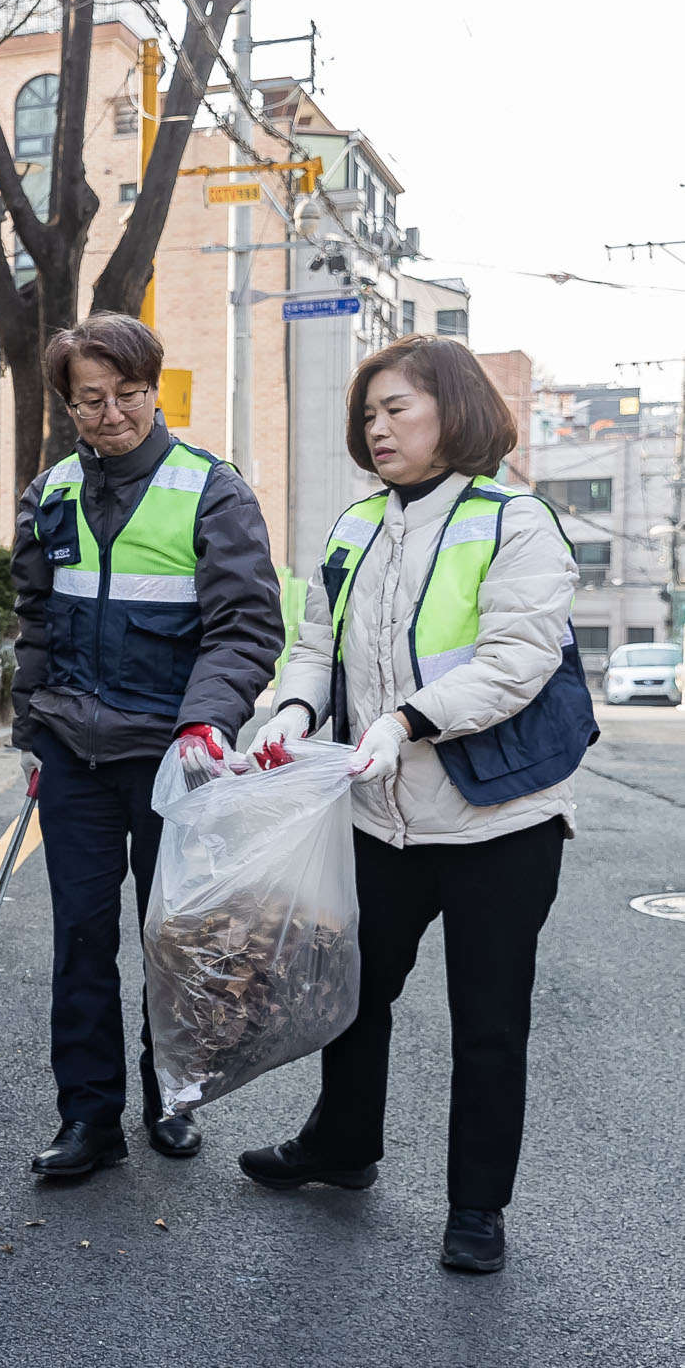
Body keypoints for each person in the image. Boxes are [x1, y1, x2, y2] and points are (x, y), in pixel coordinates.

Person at [240, 336, 594, 1274]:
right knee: (352, 994)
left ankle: (478, 1206)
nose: (378, 427)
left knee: (488, 1017)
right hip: (380, 808)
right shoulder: (357, 525)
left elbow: (516, 660)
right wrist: (291, 710)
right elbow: (317, 645)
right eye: (368, 414)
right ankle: (342, 1148)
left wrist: (406, 718)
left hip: (497, 817)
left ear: (457, 409)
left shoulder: (516, 520)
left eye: (397, 407)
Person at [11, 313, 285, 1178]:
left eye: (128, 394)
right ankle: (88, 1119)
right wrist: (31, 736)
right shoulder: (49, 494)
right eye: (90, 398)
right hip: (73, 756)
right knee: (82, 941)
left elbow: (245, 626)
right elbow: (35, 625)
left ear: (153, 388)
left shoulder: (213, 490)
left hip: (175, 756)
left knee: (172, 939)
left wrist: (206, 720)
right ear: (68, 404)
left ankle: (172, 1095)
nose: (112, 413)